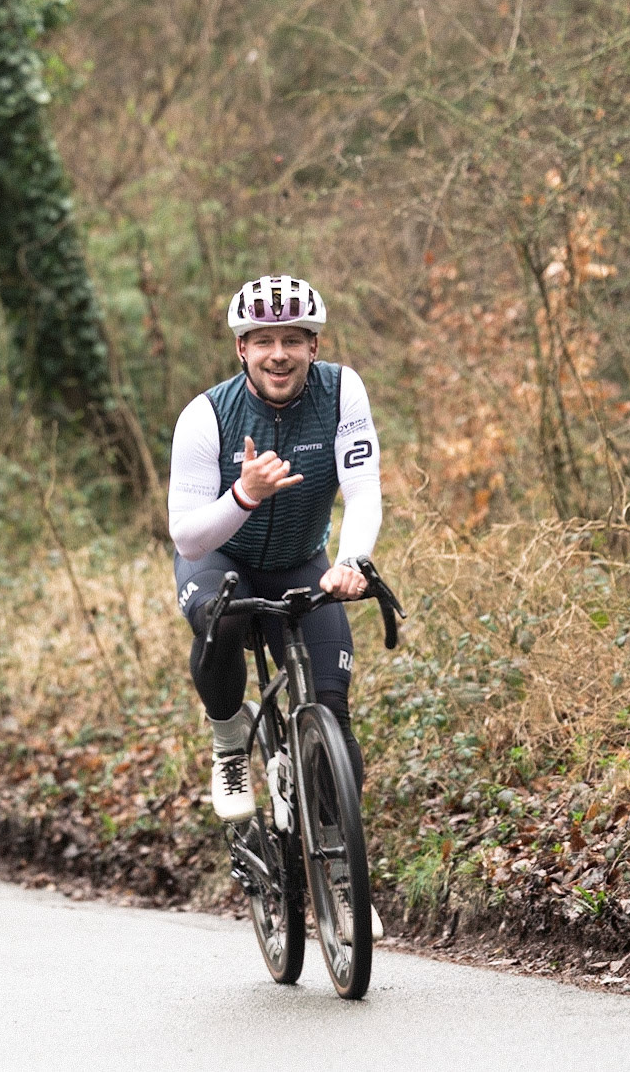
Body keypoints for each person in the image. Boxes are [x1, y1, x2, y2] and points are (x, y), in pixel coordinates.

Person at [168, 274, 383, 929]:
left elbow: (363, 490)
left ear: (314, 345)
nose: (278, 354)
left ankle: (343, 878)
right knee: (220, 618)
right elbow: (186, 535)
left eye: (293, 339)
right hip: (220, 559)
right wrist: (244, 495)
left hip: (300, 558)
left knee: (333, 716)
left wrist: (351, 561)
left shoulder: (342, 391)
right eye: (263, 341)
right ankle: (229, 742)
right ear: (242, 349)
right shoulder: (206, 416)